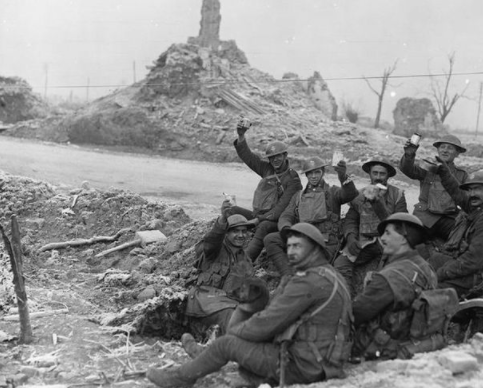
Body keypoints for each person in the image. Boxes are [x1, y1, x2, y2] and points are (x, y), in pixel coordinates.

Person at [147, 223, 352, 388]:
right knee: (239, 347)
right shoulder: (331, 275)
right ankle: (206, 357)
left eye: (297, 246)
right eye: (288, 246)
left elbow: (267, 324)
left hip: (303, 365)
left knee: (227, 344)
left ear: (315, 249)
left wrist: (235, 333)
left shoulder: (308, 281)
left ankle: (182, 378)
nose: (290, 252)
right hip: (323, 361)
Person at [351, 213, 455, 361]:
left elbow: (355, 314)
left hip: (386, 351)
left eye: (388, 233)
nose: (382, 239)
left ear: (403, 238)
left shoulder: (390, 276)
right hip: (417, 344)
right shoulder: (427, 268)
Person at [265, 156, 358, 277]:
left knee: (311, 267)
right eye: (310, 173)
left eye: (317, 172)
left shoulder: (333, 192)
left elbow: (350, 194)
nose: (313, 176)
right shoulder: (298, 196)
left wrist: (343, 177)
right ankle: (287, 275)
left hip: (325, 241)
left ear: (323, 173)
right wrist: (286, 229)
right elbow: (286, 215)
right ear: (306, 175)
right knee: (271, 239)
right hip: (304, 238)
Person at [334, 156, 407, 295]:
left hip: (388, 242)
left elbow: (401, 223)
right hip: (365, 242)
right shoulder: (359, 194)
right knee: (340, 265)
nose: (378, 177)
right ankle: (347, 300)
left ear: (388, 176)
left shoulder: (398, 194)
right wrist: (350, 238)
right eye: (375, 173)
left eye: (382, 174)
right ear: (370, 174)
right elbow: (351, 219)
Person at [232, 118, 303, 261]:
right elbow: (249, 158)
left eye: (278, 156)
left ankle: (244, 262)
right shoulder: (267, 169)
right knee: (230, 211)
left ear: (285, 156)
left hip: (278, 221)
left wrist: (257, 221)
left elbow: (280, 210)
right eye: (272, 158)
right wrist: (241, 136)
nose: (275, 160)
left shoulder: (293, 179)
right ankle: (225, 250)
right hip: (260, 216)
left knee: (264, 226)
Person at [182, 203, 256, 339]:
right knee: (231, 317)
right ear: (226, 233)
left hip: (228, 303)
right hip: (203, 302)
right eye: (235, 231)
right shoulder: (215, 250)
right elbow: (212, 240)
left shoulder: (246, 261)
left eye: (244, 231)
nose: (241, 235)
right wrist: (222, 219)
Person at [429, 170, 483, 298]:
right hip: (470, 270)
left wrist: (441, 273)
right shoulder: (478, 209)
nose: (472, 194)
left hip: (480, 278)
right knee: (427, 264)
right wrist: (443, 171)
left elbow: (472, 261)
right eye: (469, 190)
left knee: (427, 288)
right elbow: (456, 193)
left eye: (477, 189)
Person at [399, 134, 468, 241]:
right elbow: (408, 170)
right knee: (407, 242)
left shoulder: (462, 175)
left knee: (460, 243)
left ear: (457, 153)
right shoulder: (429, 167)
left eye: (450, 148)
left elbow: (466, 199)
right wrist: (409, 154)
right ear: (438, 150)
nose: (445, 150)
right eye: (442, 147)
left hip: (449, 220)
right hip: (424, 217)